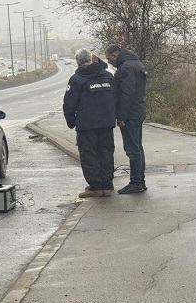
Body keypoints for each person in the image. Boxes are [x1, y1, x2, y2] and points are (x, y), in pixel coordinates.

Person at [63, 48, 117, 198]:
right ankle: (107, 185)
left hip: (86, 125)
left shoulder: (76, 80)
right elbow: (116, 97)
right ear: (91, 59)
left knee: (89, 154)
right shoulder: (107, 76)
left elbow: (69, 104)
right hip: (107, 123)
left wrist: (71, 122)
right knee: (106, 153)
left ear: (78, 62)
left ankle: (95, 186)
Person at [105, 44, 148, 194]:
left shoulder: (125, 68)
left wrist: (121, 116)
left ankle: (136, 182)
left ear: (115, 55)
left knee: (132, 149)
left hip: (130, 114)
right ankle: (140, 181)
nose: (109, 62)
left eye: (109, 58)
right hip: (138, 110)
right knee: (138, 147)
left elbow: (126, 93)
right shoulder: (136, 63)